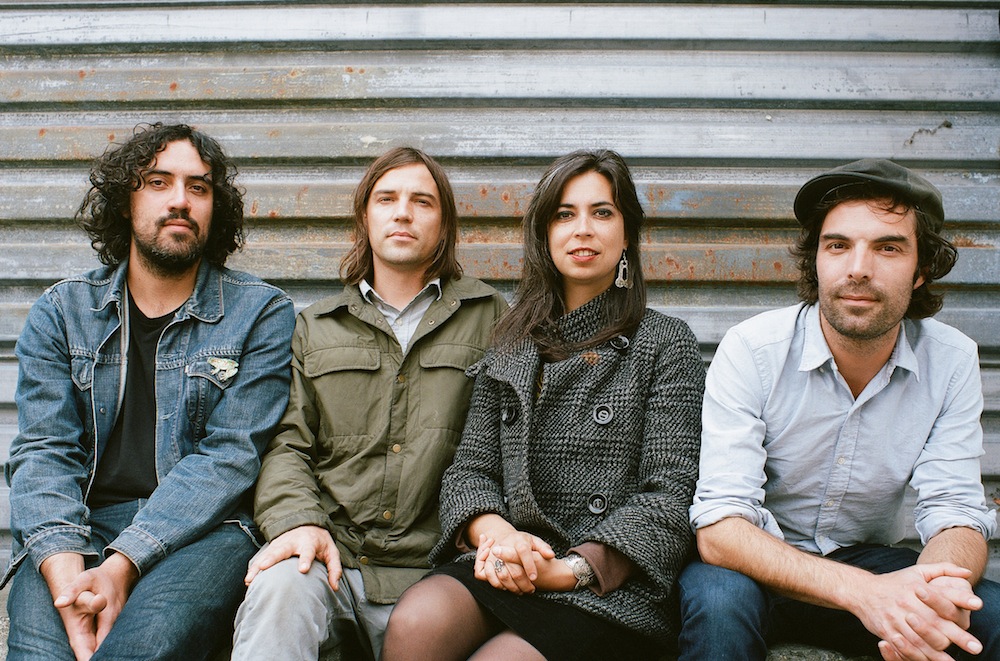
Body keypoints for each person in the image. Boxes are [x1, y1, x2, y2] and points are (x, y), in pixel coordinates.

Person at [380, 149, 706, 661]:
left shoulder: (665, 342)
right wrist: (497, 534)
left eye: (602, 212)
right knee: (416, 622)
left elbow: (670, 496)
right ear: (543, 233)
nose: (583, 229)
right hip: (511, 560)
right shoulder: (512, 342)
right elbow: (469, 470)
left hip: (607, 586)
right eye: (564, 214)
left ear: (627, 234)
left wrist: (569, 568)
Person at [679, 159, 1000, 660]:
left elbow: (955, 513)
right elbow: (721, 528)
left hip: (869, 559)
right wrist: (867, 594)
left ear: (922, 270)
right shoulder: (753, 349)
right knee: (718, 604)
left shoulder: (951, 360)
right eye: (838, 245)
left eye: (888, 247)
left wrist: (935, 592)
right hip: (755, 565)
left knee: (986, 615)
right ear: (816, 261)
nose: (858, 268)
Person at [3, 122, 295, 661]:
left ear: (215, 208)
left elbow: (230, 458)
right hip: (80, 526)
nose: (180, 201)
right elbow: (44, 450)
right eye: (158, 182)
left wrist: (123, 564)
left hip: (204, 533)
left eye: (199, 188)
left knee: (140, 649)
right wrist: (67, 571)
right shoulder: (62, 313)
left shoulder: (261, 313)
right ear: (124, 202)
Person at [230, 147, 508, 661]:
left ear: (443, 225)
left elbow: (508, 445)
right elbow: (287, 445)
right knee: (277, 590)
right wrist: (299, 524)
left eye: (421, 201)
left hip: (440, 578)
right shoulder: (315, 326)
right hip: (332, 559)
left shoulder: (491, 318)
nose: (403, 212)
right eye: (387, 198)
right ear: (366, 216)